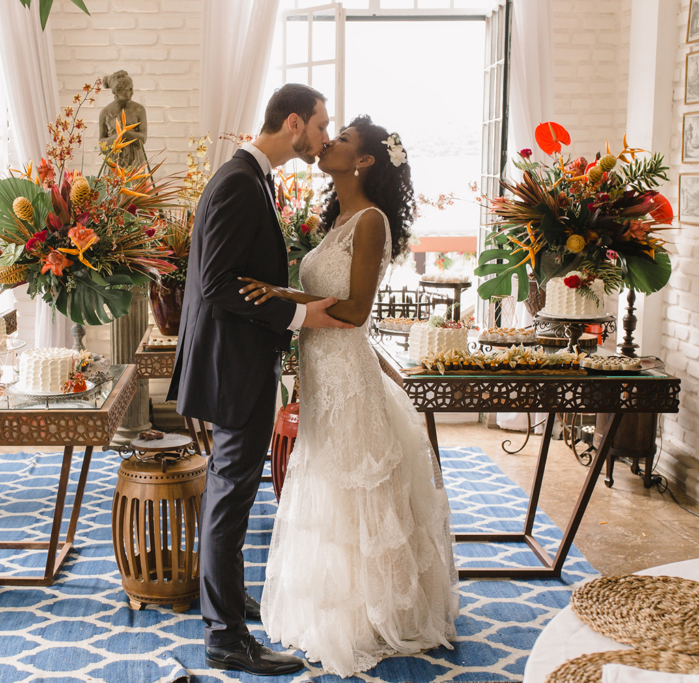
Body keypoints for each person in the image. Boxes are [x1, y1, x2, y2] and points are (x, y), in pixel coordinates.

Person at [240, 116, 458, 677]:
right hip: (319, 371)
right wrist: (285, 297)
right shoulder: (337, 217)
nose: (327, 142)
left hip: (347, 375)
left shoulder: (371, 221)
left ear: (363, 161)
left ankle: (372, 614)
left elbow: (357, 311)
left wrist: (281, 295)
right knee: (327, 488)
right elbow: (323, 294)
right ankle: (340, 601)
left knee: (355, 488)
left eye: (340, 140)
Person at [168, 84, 351, 676]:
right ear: (293, 122)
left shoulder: (255, 179)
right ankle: (225, 636)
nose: (324, 137)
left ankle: (223, 598)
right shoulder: (239, 183)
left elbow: (242, 280)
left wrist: (283, 305)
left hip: (239, 359)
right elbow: (220, 284)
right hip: (233, 364)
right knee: (230, 494)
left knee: (231, 490)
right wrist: (299, 315)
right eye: (321, 126)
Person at [98, 70, 147, 169]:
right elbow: (102, 147)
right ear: (117, 91)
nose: (132, 92)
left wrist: (124, 132)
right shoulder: (105, 113)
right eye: (128, 90)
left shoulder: (139, 109)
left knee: (137, 184)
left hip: (135, 163)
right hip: (114, 164)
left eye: (132, 88)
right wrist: (117, 137)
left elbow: (143, 139)